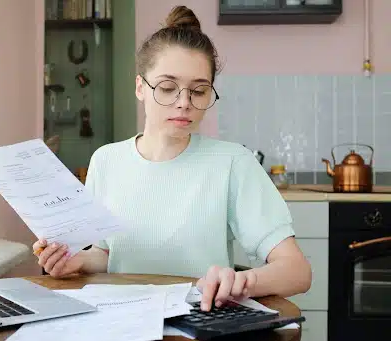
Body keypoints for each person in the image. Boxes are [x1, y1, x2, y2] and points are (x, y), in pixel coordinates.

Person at [33, 5, 312, 312]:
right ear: (141, 87)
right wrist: (78, 261)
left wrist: (240, 282)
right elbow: (108, 255)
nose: (184, 103)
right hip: (123, 320)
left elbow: (296, 271)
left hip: (201, 321)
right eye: (167, 88)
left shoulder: (233, 163)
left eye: (199, 91)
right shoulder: (106, 161)